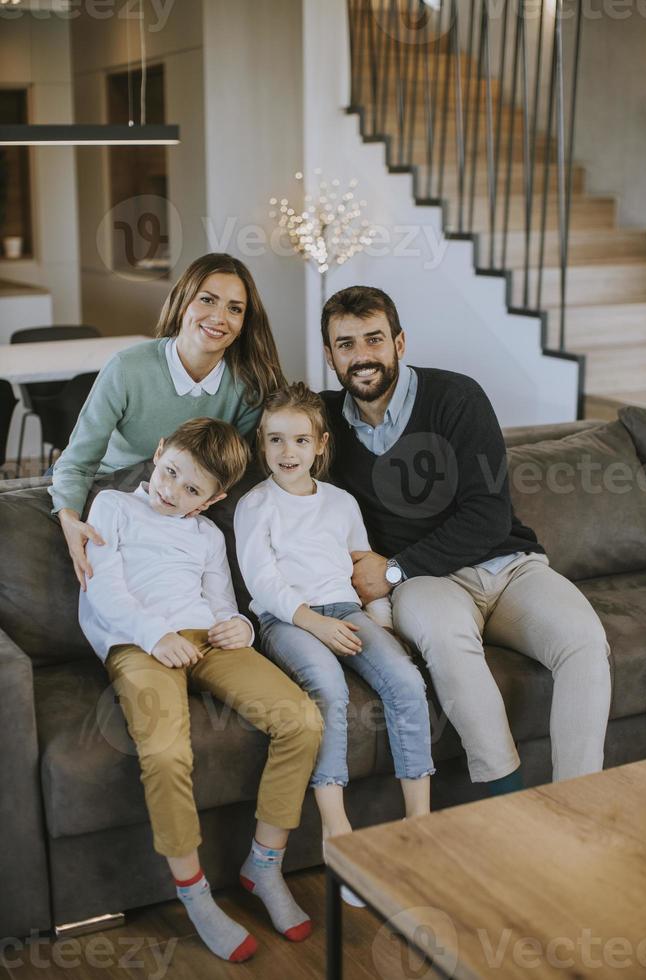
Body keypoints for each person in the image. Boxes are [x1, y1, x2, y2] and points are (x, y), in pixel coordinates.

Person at [320, 285, 612, 794]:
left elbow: (489, 515)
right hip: (428, 584)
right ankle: (505, 795)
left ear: (400, 343)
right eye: (346, 345)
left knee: (585, 642)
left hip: (504, 566)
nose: (362, 357)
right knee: (447, 640)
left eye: (374, 339)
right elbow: (262, 421)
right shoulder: (323, 423)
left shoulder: (456, 397)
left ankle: (578, 801)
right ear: (330, 356)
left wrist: (391, 571)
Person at [79, 417, 323, 963]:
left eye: (192, 489)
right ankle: (196, 895)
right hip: (139, 643)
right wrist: (155, 637)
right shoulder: (113, 508)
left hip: (207, 641)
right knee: (165, 751)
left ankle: (263, 867)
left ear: (215, 499)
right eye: (169, 474)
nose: (171, 492)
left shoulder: (209, 535)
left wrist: (240, 625)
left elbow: (219, 602)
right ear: (160, 452)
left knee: (302, 720)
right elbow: (104, 591)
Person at [234, 383, 434, 905]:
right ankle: (337, 832)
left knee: (406, 681)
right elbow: (262, 583)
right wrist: (312, 624)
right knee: (327, 687)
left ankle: (420, 824)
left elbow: (361, 566)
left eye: (300, 441)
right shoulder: (256, 505)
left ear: (320, 443)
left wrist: (382, 623)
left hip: (346, 611)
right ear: (262, 443)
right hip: (286, 621)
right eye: (275, 440)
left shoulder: (341, 502)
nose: (287, 453)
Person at [50, 252, 285, 590]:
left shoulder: (250, 386)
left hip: (187, 500)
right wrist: (69, 519)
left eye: (234, 308)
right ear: (182, 302)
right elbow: (76, 462)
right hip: (114, 487)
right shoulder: (128, 368)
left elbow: (236, 470)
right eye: (207, 300)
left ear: (245, 322)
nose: (219, 317)